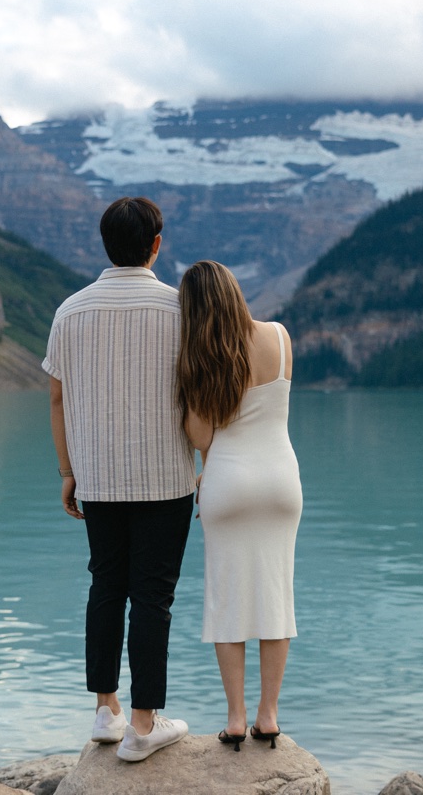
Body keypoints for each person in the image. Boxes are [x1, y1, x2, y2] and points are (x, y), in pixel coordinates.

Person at [43, 196, 194, 763]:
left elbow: (57, 395)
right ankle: (143, 724)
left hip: (98, 479)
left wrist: (67, 471)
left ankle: (105, 712)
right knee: (152, 599)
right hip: (166, 478)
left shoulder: (71, 311)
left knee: (106, 585)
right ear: (156, 245)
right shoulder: (181, 309)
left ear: (105, 245)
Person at [176, 260, 303, 752]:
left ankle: (235, 718)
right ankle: (269, 716)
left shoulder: (200, 359)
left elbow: (202, 436)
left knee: (227, 597)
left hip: (228, 484)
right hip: (280, 483)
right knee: (276, 594)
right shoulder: (279, 336)